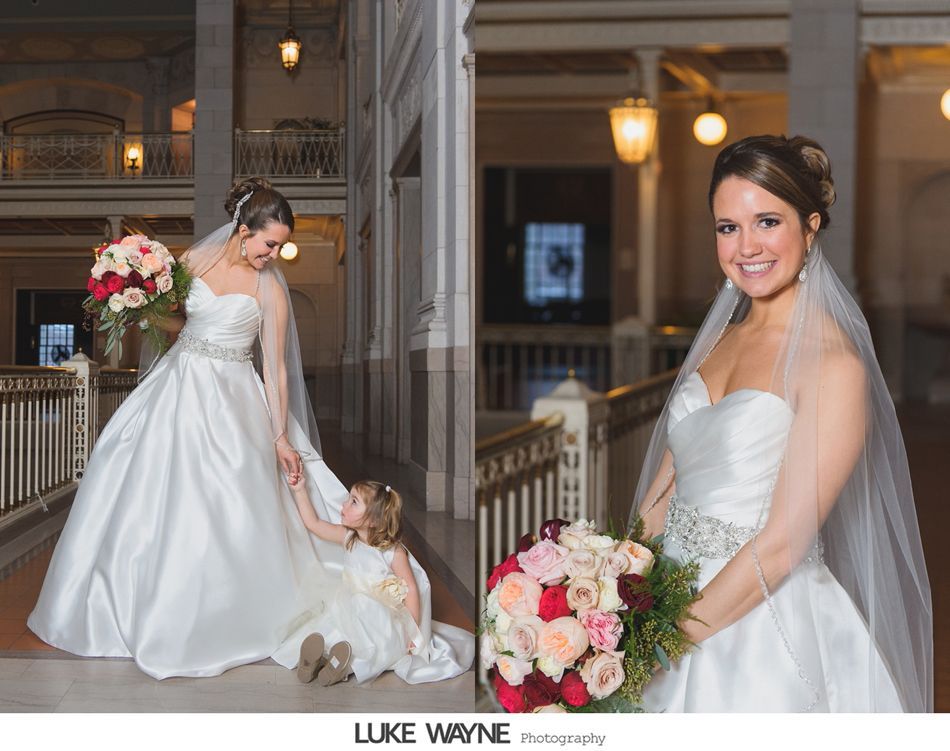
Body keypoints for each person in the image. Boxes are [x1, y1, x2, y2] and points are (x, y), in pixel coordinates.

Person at [632, 135, 932, 712]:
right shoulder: (719, 340)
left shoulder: (832, 363)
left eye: (767, 221)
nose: (747, 246)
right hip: (663, 597)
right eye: (728, 227)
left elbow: (781, 544)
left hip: (758, 627)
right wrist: (612, 592)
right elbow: (667, 485)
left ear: (811, 226)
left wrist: (665, 639)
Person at [28, 178, 351, 680]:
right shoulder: (191, 265)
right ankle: (126, 609)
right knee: (144, 485)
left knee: (226, 499)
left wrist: (280, 437)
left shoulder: (269, 288)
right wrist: (136, 302)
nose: (274, 255)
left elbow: (276, 369)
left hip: (233, 396)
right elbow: (177, 322)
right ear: (244, 231)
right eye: (269, 244)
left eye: (278, 246)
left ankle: (223, 612)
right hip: (176, 384)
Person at [274, 479, 475, 686]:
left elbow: (412, 589)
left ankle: (343, 664)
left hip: (380, 618)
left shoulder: (392, 552)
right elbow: (314, 524)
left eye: (354, 502)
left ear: (373, 520)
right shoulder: (348, 538)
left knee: (367, 627)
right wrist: (299, 491)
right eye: (348, 498)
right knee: (333, 622)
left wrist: (411, 632)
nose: (344, 504)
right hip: (348, 609)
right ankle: (320, 659)